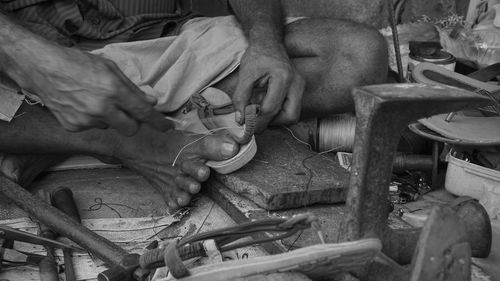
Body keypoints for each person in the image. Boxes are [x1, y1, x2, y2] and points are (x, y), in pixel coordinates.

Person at [0, 0, 388, 210]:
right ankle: (122, 140)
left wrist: (266, 45)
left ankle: (48, 136)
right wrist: (26, 56)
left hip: (160, 45)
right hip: (23, 60)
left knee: (358, 54)